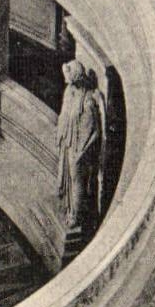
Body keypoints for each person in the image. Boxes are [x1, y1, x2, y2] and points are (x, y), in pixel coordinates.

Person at [57, 60, 104, 233]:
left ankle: (75, 215)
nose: (68, 82)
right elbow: (64, 115)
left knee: (77, 180)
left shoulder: (88, 101)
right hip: (69, 142)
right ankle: (70, 207)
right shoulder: (70, 92)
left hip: (80, 148)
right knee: (71, 177)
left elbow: (95, 132)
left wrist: (81, 153)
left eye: (70, 78)